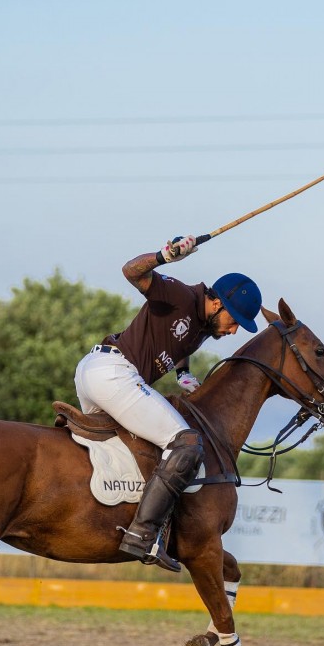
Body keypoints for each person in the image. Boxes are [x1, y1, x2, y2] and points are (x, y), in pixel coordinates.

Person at [74, 235, 262, 573]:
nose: (234, 331)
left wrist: (184, 374)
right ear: (217, 303)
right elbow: (131, 271)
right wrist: (166, 255)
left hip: (95, 371)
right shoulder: (181, 296)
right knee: (187, 442)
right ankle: (143, 535)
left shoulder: (205, 327)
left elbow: (178, 344)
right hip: (114, 373)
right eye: (234, 321)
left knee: (133, 451)